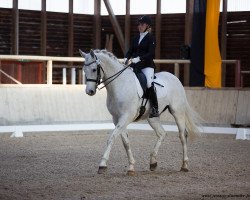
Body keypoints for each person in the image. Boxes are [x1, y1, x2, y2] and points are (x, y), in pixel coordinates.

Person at [124, 15, 159, 118]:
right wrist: (126, 58)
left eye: (142, 24)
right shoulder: (135, 38)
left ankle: (155, 108)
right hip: (135, 65)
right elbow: (130, 50)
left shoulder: (151, 38)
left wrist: (139, 58)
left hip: (147, 66)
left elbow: (151, 54)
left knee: (148, 84)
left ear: (147, 26)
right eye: (139, 24)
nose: (139, 26)